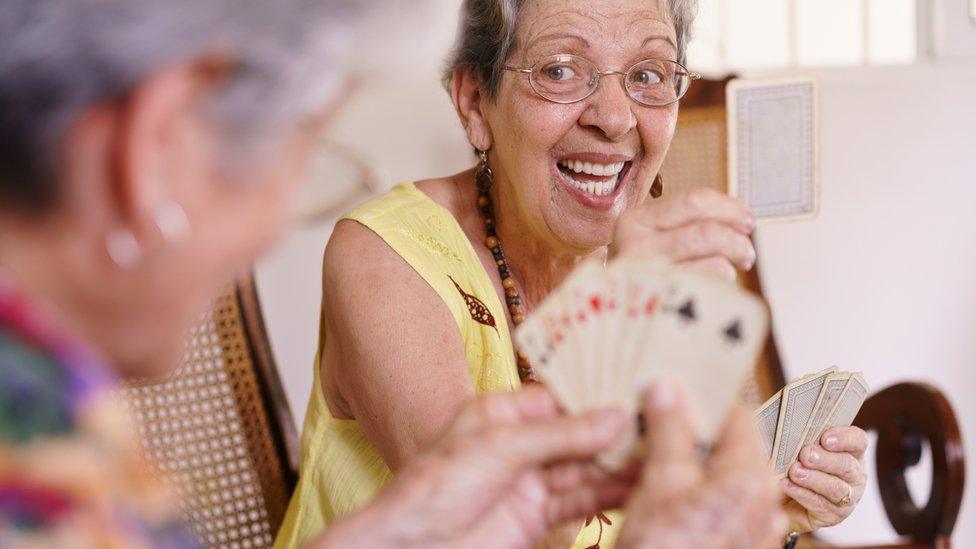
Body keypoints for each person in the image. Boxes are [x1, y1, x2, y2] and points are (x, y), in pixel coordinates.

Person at [0, 1, 786, 548]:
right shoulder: (35, 471)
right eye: (303, 153)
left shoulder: (61, 408)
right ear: (156, 147)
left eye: (648, 76)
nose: (280, 222)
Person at [278, 0, 869, 546]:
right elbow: (485, 523)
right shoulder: (383, 255)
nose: (614, 118)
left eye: (648, 75)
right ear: (474, 104)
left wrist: (771, 516)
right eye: (560, 70)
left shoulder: (669, 268)